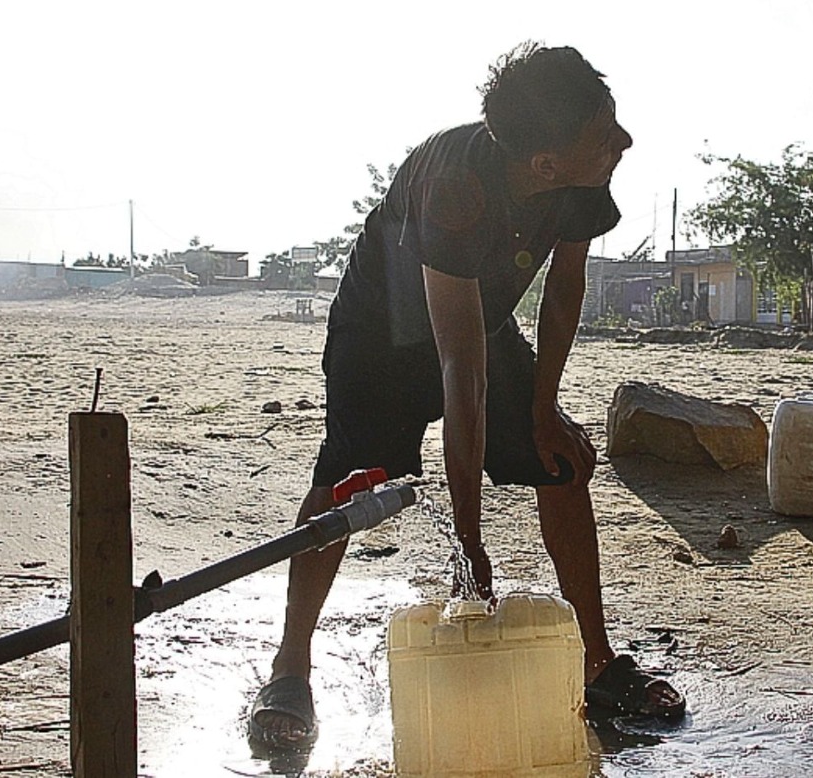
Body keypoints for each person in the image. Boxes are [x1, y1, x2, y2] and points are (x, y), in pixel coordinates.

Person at [249, 43, 685, 750]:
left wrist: (544, 410)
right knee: (342, 487)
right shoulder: (457, 188)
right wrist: (469, 543)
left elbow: (563, 292)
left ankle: (597, 661)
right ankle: (290, 666)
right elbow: (462, 372)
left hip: (479, 320)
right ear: (545, 164)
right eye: (606, 133)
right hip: (381, 341)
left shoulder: (581, 172)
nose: (624, 141)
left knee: (563, 460)